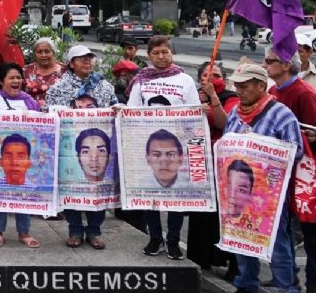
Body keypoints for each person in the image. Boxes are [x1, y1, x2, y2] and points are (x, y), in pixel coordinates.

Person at [224, 63, 303, 293]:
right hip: (238, 191)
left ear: (261, 86)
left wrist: (261, 149)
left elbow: (295, 151)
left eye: (244, 86)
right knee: (242, 240)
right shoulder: (235, 113)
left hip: (270, 196)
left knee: (278, 245)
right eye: (237, 85)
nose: (239, 90)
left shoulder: (282, 114)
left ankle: (285, 287)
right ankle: (247, 283)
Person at [125, 36, 199, 261]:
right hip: (149, 146)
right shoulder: (141, 81)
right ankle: (155, 237)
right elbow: (132, 111)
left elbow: (193, 112)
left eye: (165, 52)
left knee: (176, 196)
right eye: (156, 53)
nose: (161, 57)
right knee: (151, 195)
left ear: (171, 53)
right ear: (149, 55)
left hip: (177, 147)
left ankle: (174, 240)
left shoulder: (185, 80)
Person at [265, 48, 316, 293]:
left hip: (305, 175)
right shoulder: (272, 91)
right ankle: (288, 276)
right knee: (283, 229)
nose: (265, 64)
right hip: (280, 172)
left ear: (286, 65)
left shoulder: (304, 93)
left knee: (313, 233)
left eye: (270, 61)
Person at [45, 44, 116, 250]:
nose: (87, 62)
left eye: (89, 58)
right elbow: (49, 113)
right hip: (71, 148)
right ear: (71, 63)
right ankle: (75, 230)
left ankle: (95, 231)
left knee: (98, 187)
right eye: (81, 58)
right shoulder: (58, 88)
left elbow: (113, 106)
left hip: (101, 146)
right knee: (71, 187)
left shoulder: (104, 86)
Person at [0, 65, 41, 249]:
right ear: (1, 81)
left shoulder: (29, 102)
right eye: (11, 78)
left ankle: (24, 232)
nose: (16, 81)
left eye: (19, 78)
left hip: (22, 159)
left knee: (23, 192)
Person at [188, 61, 239, 277]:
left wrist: (213, 101)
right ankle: (201, 258)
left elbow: (223, 123)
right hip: (199, 164)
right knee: (202, 215)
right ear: (200, 79)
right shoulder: (192, 96)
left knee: (226, 215)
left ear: (224, 79)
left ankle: (230, 262)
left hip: (224, 166)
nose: (212, 78)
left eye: (216, 74)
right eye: (207, 75)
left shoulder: (232, 98)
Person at [23, 38, 64, 107]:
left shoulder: (64, 70)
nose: (43, 55)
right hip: (31, 113)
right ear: (35, 54)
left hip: (58, 113)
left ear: (53, 53)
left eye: (47, 51)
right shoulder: (26, 70)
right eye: (39, 52)